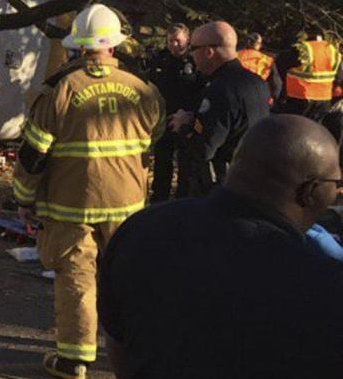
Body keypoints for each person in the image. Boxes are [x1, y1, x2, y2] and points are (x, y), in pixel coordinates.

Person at [98, 115, 343, 378]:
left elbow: (119, 344)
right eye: (336, 185)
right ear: (310, 191)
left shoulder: (141, 230)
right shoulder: (324, 281)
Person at [11, 3, 164, 379]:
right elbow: (156, 136)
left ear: (77, 47)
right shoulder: (142, 90)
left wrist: (24, 198)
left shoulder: (59, 90)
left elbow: (33, 155)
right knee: (125, 277)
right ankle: (135, 351)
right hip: (127, 205)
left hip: (70, 205)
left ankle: (75, 359)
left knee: (76, 278)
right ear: (114, 46)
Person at [168, 21, 271, 196]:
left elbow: (204, 147)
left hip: (225, 186)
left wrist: (184, 126)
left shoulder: (219, 90)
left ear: (208, 52)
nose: (191, 56)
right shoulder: (258, 83)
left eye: (193, 49)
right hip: (255, 178)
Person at [140, 23, 200, 202]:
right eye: (170, 41)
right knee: (162, 163)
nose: (174, 45)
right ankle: (159, 201)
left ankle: (182, 200)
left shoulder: (194, 61)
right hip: (163, 118)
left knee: (185, 164)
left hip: (186, 119)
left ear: (187, 40)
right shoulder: (159, 60)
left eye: (178, 41)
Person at [278, 29, 341, 123]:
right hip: (324, 100)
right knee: (316, 130)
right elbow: (338, 77)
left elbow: (280, 64)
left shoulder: (302, 49)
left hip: (300, 98)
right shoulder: (333, 51)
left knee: (295, 129)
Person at [236, 32, 282, 102]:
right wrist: (273, 97)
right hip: (257, 97)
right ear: (259, 45)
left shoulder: (235, 55)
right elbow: (276, 83)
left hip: (236, 94)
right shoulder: (267, 60)